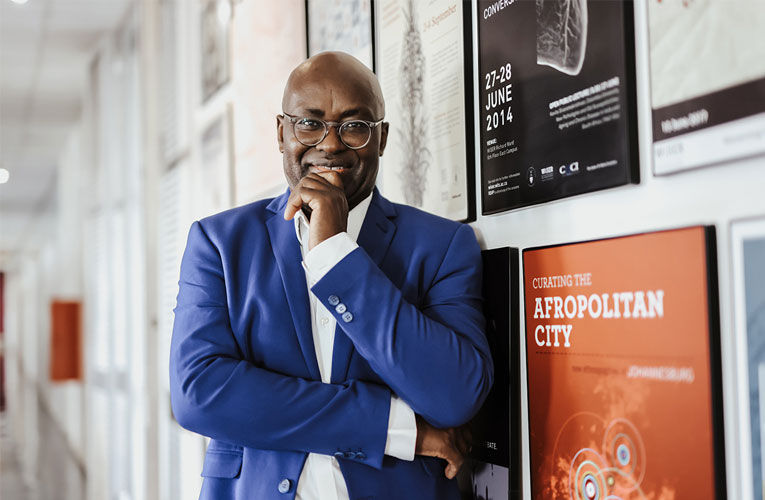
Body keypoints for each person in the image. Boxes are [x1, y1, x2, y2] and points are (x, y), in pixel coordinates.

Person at [170, 52, 493, 500]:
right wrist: (396, 429)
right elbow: (198, 394)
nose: (331, 145)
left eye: (355, 126)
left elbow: (454, 394)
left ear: (381, 139)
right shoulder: (219, 244)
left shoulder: (441, 247)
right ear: (281, 132)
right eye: (310, 123)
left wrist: (335, 257)